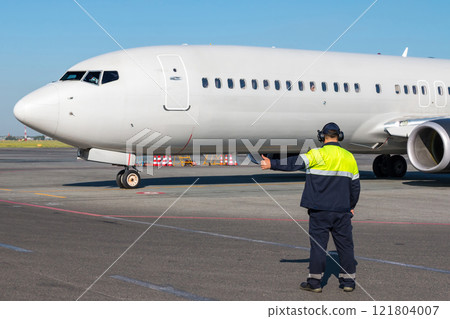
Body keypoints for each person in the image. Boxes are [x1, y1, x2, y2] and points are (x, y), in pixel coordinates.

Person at [260, 122, 360, 293]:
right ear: (339, 136)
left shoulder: (316, 154)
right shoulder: (349, 157)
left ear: (322, 137)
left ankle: (314, 283)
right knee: (345, 246)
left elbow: (294, 163)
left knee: (318, 246)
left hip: (319, 211)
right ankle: (348, 282)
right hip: (341, 211)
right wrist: (350, 206)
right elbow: (355, 187)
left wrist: (272, 164)